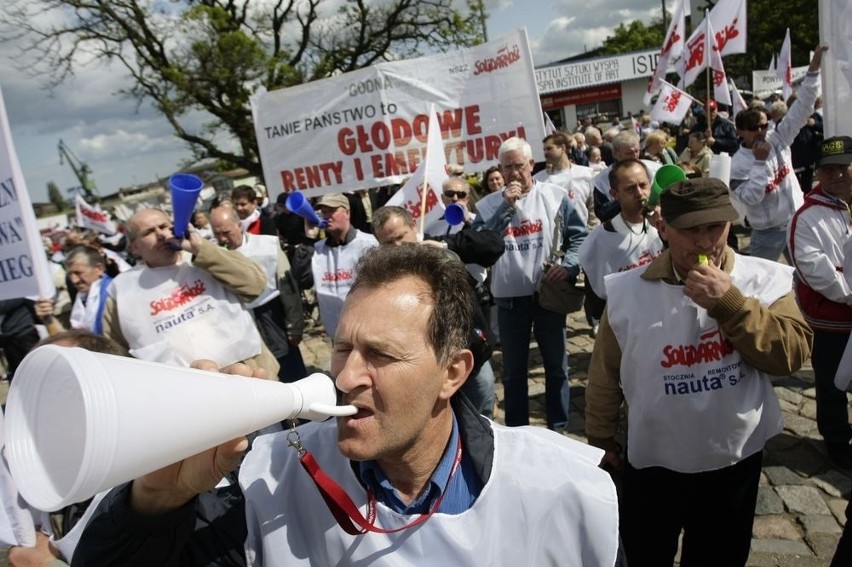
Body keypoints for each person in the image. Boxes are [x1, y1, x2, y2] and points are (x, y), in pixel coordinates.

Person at [72, 244, 620, 567]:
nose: (346, 376)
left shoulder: (568, 490)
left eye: (380, 355)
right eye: (341, 349)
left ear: (452, 374)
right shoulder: (267, 479)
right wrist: (155, 504)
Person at [585, 177, 813, 566]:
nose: (705, 242)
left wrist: (731, 303)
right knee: (646, 553)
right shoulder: (627, 290)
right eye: (691, 230)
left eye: (715, 227)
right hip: (655, 461)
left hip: (733, 460)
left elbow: (789, 354)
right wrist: (600, 435)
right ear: (663, 227)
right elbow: (606, 370)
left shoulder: (763, 279)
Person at [472, 137, 588, 430]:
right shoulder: (487, 206)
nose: (513, 173)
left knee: (557, 368)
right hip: (509, 302)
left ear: (531, 165)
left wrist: (568, 266)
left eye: (519, 166)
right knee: (513, 373)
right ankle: (518, 430)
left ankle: (559, 426)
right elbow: (479, 245)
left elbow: (579, 237)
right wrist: (506, 208)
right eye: (506, 167)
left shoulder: (555, 195)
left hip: (546, 296)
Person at [103, 208, 278, 374]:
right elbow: (116, 351)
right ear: (134, 247)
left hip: (249, 371)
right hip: (186, 393)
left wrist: (201, 249)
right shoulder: (123, 290)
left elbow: (256, 285)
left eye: (164, 226)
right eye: (149, 232)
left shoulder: (205, 256)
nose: (162, 235)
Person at [373, 205, 501, 418]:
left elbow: (493, 245)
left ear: (413, 226)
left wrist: (445, 246)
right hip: (430, 367)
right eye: (388, 243)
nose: (397, 246)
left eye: (401, 236)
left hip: (470, 352)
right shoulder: (385, 275)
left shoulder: (441, 248)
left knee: (483, 413)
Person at [788, 135, 852, 468]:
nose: (837, 175)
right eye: (828, 170)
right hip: (832, 321)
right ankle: (838, 443)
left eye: (843, 167)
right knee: (831, 385)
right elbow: (818, 272)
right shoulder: (808, 216)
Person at [729, 46, 826, 262]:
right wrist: (759, 164)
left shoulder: (778, 137)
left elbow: (802, 107)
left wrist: (814, 68)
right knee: (762, 285)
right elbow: (751, 198)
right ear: (741, 131)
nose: (761, 131)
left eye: (764, 125)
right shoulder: (736, 165)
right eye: (754, 128)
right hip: (767, 233)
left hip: (797, 221)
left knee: (808, 279)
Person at [209, 206, 307, 383]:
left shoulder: (267, 245)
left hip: (272, 315)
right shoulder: (216, 255)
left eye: (226, 232)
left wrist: (295, 325)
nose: (222, 239)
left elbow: (288, 287)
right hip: (242, 321)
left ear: (239, 225)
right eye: (217, 235)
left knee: (290, 368)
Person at [578, 159, 664, 337]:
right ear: (614, 194)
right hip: (628, 329)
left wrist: (666, 232)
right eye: (630, 189)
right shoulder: (600, 239)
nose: (640, 194)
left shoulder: (665, 227)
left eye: (643, 185)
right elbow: (597, 294)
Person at [290, 193, 378, 338]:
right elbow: (301, 279)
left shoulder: (369, 244)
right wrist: (308, 240)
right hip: (337, 335)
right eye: (324, 212)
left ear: (347, 212)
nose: (327, 216)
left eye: (332, 210)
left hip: (368, 331)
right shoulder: (317, 249)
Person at [35, 245, 112, 335]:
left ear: (99, 269)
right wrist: (48, 319)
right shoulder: (83, 298)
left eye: (78, 273)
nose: (74, 280)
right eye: (70, 274)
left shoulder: (113, 294)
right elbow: (76, 343)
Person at [592, 130, 661, 223]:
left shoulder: (655, 169)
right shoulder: (601, 181)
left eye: (636, 151)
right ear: (616, 154)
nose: (635, 156)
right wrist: (625, 201)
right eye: (629, 153)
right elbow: (602, 213)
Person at [534, 132, 597, 228]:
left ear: (563, 148)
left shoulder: (586, 174)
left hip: (583, 235)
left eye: (549, 148)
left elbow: (593, 210)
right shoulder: (539, 180)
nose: (546, 153)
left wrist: (590, 233)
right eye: (544, 150)